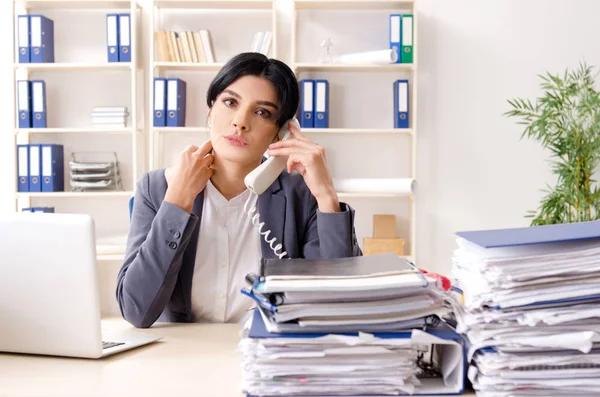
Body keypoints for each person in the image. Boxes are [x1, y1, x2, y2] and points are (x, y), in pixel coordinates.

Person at [116, 52, 362, 329]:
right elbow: (136, 310)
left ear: (279, 132)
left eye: (262, 112)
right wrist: (178, 201)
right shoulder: (157, 188)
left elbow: (342, 304)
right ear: (210, 110)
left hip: (269, 356)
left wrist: (327, 197)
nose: (240, 122)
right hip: (181, 357)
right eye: (230, 102)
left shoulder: (301, 195)